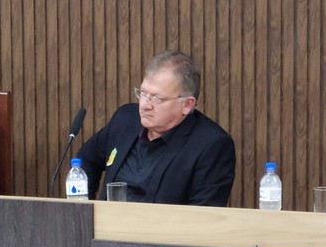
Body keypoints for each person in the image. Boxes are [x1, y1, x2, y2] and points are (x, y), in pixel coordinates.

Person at [77, 50, 236, 205]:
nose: (144, 105)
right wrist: (84, 209)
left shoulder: (211, 145)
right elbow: (85, 160)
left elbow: (204, 213)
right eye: (143, 93)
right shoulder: (125, 120)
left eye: (157, 99)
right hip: (107, 221)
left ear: (187, 105)